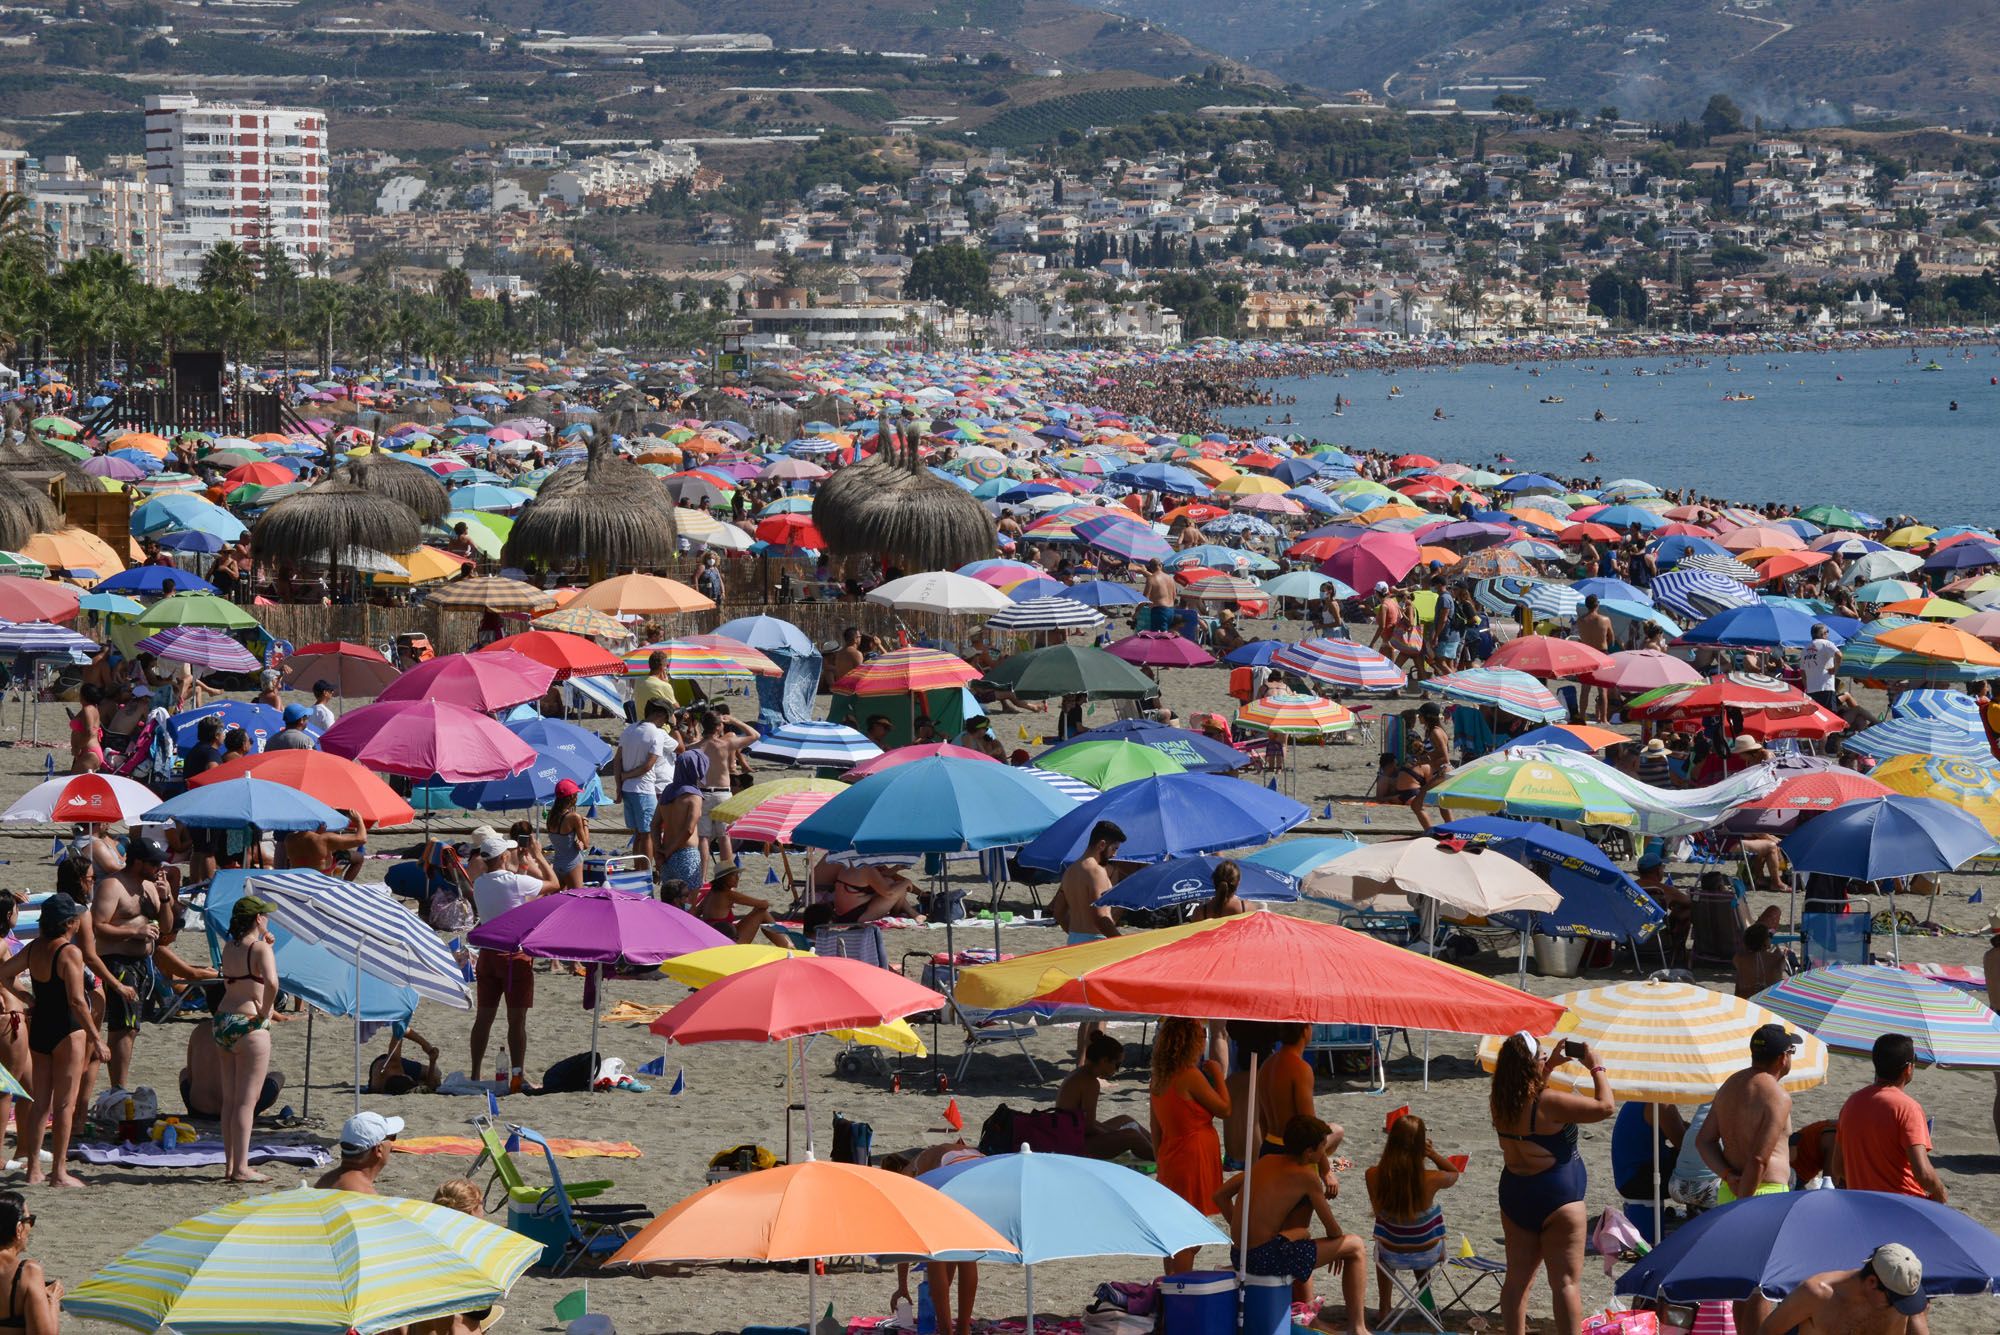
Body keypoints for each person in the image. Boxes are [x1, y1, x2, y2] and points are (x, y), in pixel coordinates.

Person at [1489, 1031, 1613, 1335]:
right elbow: (1605, 1107)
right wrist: (1596, 1067)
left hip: (1516, 1194)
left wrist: (1549, 1067)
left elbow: (1526, 1094)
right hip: (1558, 1198)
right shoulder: (1549, 1102)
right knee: (1565, 1283)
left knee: (1517, 1279)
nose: (1545, 1054)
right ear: (1530, 1063)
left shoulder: (1500, 1100)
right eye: (1540, 1054)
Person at [1215, 1115, 1369, 1335]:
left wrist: (1243, 1233)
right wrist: (1337, 1250)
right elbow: (1333, 1230)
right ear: (1308, 1152)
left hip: (1238, 1255)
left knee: (1300, 1232)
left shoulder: (1265, 1161)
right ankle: (1358, 1328)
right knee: (1355, 1246)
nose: (1324, 1155)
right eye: (1322, 1149)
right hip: (1265, 1258)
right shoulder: (1306, 1177)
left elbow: (1220, 1195)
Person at [1697, 1023, 1801, 1334]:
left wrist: (1727, 1175)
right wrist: (1746, 1196)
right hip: (1763, 1194)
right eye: (1791, 1052)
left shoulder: (1730, 1085)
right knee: (1761, 1286)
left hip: (1730, 1192)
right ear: (1783, 1058)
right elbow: (1759, 1157)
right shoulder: (1778, 1097)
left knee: (1741, 1284)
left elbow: (1703, 1141)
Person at [17, 894, 103, 1189]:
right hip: (68, 1031)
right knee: (64, 1105)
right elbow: (78, 1002)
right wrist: (97, 1038)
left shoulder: (34, 949)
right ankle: (59, 1173)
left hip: (40, 1028)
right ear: (69, 923)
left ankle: (32, 1171)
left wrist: (26, 997)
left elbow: (3, 975)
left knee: (40, 1102)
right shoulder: (70, 953)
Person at [468, 829, 558, 1092]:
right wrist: (539, 858)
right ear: (505, 856)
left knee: (483, 1018)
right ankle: (518, 1075)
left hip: (487, 953)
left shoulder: (481, 883)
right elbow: (554, 884)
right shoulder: (515, 881)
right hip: (513, 955)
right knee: (516, 1021)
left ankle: (475, 1073)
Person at [1365, 1112, 1460, 1327]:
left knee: (1392, 1240)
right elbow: (1454, 1173)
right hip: (1429, 1254)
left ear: (1391, 1142)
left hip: (1390, 1255)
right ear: (1420, 1146)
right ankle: (1426, 1304)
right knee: (1419, 1237)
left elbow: (1378, 1210)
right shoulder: (1432, 1179)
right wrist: (1433, 1154)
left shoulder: (1372, 1175)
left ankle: (1384, 1308)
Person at [93, 833, 172, 1092]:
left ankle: (119, 1084)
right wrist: (133, 932)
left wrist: (167, 899)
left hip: (143, 964)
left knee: (132, 1027)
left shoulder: (151, 887)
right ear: (137, 862)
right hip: (117, 961)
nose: (159, 868)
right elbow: (97, 926)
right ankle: (119, 1087)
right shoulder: (113, 886)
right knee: (124, 1027)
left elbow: (168, 929)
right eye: (154, 863)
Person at [1151, 1016, 1229, 1273]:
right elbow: (1225, 1110)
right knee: (1188, 1231)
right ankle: (1180, 1285)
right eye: (1202, 1036)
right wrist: (1218, 1074)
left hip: (1171, 1154)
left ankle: (1172, 1282)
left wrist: (1160, 1160)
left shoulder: (1160, 1077)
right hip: (1193, 1156)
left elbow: (1155, 1128)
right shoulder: (1190, 1075)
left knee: (1174, 1228)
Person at [210, 897, 280, 1183]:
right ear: (258, 918)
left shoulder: (230, 947)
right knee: (245, 1103)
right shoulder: (260, 948)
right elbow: (272, 983)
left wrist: (265, 943)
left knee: (230, 1100)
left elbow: (240, 979)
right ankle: (241, 1168)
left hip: (224, 1019)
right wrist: (266, 1012)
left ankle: (230, 1165)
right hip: (249, 1024)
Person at [1834, 1032, 1946, 1203]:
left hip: (1863, 1205)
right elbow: (1924, 1174)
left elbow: (1838, 1167)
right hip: (1902, 1207)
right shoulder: (1908, 1108)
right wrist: (1940, 1195)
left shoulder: (1852, 1103)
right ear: (1908, 1068)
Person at [1760, 1242, 1929, 1335]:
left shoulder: (1898, 1297)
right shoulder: (1816, 1294)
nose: (1899, 1306)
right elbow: (1767, 1332)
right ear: (1871, 1282)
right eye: (1894, 1300)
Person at [1053, 1032, 1153, 1160]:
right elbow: (1088, 1128)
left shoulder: (1080, 1073)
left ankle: (1156, 1147)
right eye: (1117, 1065)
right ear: (1104, 1060)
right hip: (1072, 1146)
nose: (1117, 1070)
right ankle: (1160, 1156)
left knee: (1125, 1120)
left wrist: (1113, 1132)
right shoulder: (1090, 1082)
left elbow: (1085, 1122)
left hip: (1068, 1136)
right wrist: (1116, 1134)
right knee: (1131, 1135)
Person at [1259, 1023, 1342, 1166]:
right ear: (1305, 1030)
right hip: (1294, 1150)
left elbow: (1261, 1118)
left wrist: (1266, 1152)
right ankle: (1319, 1164)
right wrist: (1326, 1171)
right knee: (1338, 1131)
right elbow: (1309, 1125)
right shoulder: (1300, 1068)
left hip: (1269, 1143)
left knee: (1336, 1131)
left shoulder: (1267, 1065)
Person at [693, 710, 758, 887]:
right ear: (719, 726)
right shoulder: (725, 744)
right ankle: (726, 879)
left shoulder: (695, 747)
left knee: (704, 838)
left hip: (703, 793)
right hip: (722, 793)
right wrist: (734, 720)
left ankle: (702, 878)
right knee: (724, 837)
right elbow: (755, 735)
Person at [616, 699, 677, 867]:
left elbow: (617, 760)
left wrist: (619, 784)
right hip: (643, 788)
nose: (666, 721)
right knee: (648, 834)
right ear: (659, 714)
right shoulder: (656, 733)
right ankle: (645, 871)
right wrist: (626, 775)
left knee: (638, 833)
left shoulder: (629, 729)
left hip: (628, 789)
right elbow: (648, 765)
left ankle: (638, 868)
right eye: (666, 717)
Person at [0, 1191, 63, 1333]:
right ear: (19, 1228)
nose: (31, 1227)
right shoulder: (27, 1272)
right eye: (30, 1221)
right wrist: (52, 1300)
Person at [652, 750, 708, 891]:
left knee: (670, 904)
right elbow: (689, 829)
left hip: (666, 855)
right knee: (689, 903)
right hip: (686, 853)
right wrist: (670, 851)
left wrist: (659, 851)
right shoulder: (693, 796)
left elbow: (654, 824)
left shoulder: (668, 792)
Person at [313, 1110, 403, 1193]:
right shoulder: (365, 1195)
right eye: (391, 1137)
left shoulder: (324, 1182)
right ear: (378, 1149)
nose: (392, 1144)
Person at [691, 867, 774, 945]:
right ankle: (785, 945)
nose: (737, 878)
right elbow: (764, 904)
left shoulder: (710, 894)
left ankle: (785, 944)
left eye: (738, 875)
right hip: (727, 943)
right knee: (762, 912)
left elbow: (695, 915)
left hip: (714, 939)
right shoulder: (728, 895)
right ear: (724, 878)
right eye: (734, 875)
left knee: (757, 912)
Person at [1575, 597, 1615, 721]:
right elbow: (1612, 639)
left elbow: (1581, 638)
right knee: (1602, 689)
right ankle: (1603, 719)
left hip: (1586, 654)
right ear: (1597, 605)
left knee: (1585, 688)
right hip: (1601, 653)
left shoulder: (1580, 620)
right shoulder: (1605, 620)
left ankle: (1582, 716)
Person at [545, 779, 590, 890]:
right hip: (572, 863)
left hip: (558, 863)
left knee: (558, 902)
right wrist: (585, 825)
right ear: (571, 797)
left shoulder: (551, 815)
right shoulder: (574, 817)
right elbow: (586, 844)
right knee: (577, 900)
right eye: (576, 794)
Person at [1733, 921, 1790, 998]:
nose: (1771, 938)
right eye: (1769, 936)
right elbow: (1777, 981)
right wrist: (1783, 958)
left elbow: (1738, 991)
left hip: (1747, 1000)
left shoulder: (1739, 959)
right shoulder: (1776, 958)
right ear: (1765, 941)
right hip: (1768, 1000)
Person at [67, 683, 104, 774]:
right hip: (88, 752)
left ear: (83, 695)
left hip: (89, 752)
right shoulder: (91, 708)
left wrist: (78, 747)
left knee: (75, 783)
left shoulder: (87, 709)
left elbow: (89, 732)